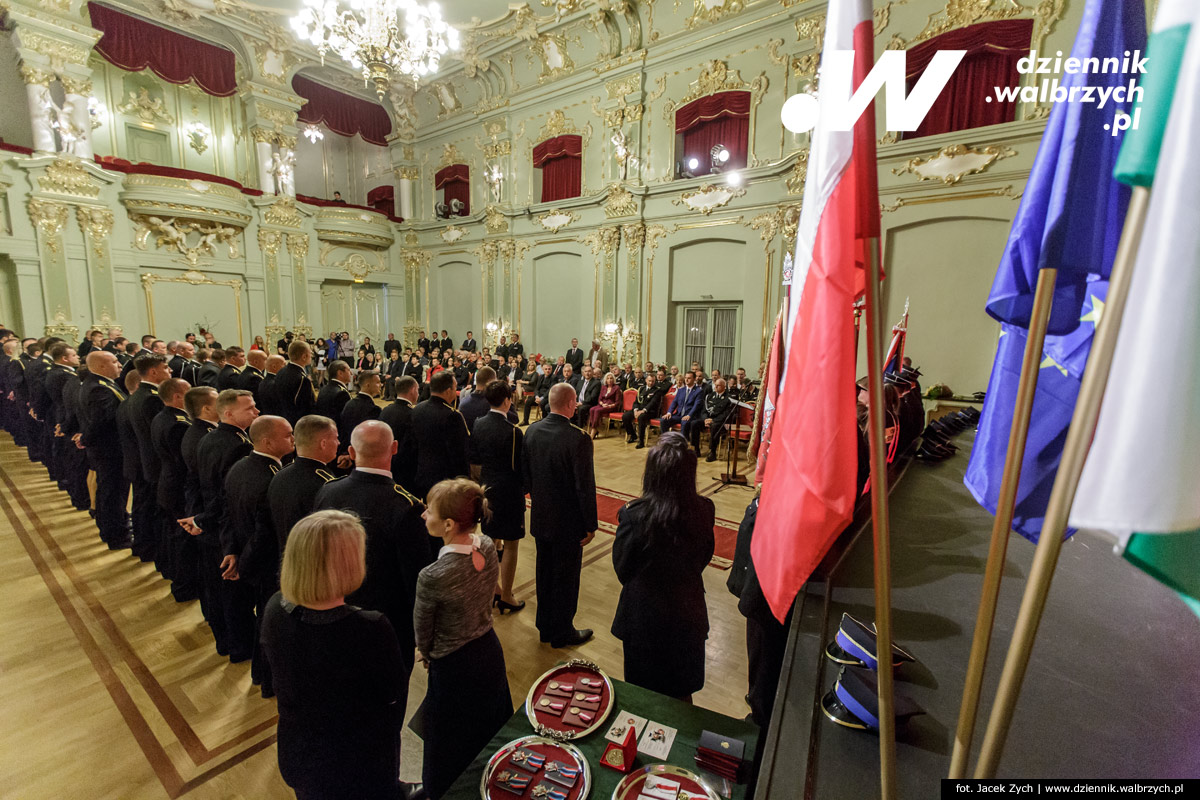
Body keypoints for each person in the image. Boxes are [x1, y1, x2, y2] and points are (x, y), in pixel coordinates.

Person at [260, 510, 406, 800]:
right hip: (358, 762)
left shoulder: (275, 608)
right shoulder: (369, 626)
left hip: (299, 753)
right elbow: (392, 694)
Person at [415, 478, 513, 798]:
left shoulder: (432, 577)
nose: (423, 515)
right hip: (487, 650)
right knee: (489, 729)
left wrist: (427, 654)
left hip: (453, 665)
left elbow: (423, 632)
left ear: (447, 524)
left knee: (447, 744)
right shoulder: (485, 545)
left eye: (428, 510)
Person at [314, 421, 431, 675]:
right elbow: (418, 580)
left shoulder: (327, 491)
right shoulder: (407, 506)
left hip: (333, 611)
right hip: (388, 623)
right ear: (395, 448)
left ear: (352, 453)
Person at [612, 432, 715, 701]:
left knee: (642, 696)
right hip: (687, 614)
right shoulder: (705, 509)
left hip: (644, 619)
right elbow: (705, 556)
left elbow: (623, 570)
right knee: (682, 697)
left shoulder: (634, 515)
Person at [224, 415, 294, 697]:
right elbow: (263, 533)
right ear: (268, 441)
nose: (293, 439)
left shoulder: (239, 467)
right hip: (264, 564)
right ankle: (268, 680)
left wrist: (231, 551)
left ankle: (259, 672)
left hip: (245, 555)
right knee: (269, 624)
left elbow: (227, 516)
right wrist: (244, 562)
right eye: (288, 435)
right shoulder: (272, 479)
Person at [523, 383, 598, 647]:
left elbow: (527, 477)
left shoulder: (531, 431)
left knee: (544, 573)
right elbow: (585, 487)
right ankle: (563, 632)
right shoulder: (578, 438)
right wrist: (590, 524)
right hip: (568, 522)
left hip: (541, 516)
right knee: (565, 578)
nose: (577, 405)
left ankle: (545, 627)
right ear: (569, 404)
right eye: (575, 401)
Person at [188, 389, 259, 661]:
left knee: (219, 590)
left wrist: (198, 517)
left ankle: (226, 641)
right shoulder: (238, 445)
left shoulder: (210, 437)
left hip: (211, 523)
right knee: (234, 595)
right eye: (249, 408)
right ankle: (239, 646)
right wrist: (202, 519)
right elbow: (227, 494)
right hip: (226, 528)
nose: (256, 411)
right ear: (228, 413)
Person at [470, 381, 525, 612]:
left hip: (487, 489)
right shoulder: (513, 432)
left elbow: (474, 462)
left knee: (489, 541)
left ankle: (492, 589)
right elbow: (518, 467)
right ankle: (507, 595)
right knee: (511, 544)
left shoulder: (478, 423)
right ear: (506, 401)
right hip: (509, 492)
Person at [79, 350, 132, 549]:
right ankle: (116, 534)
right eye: (114, 361)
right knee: (112, 493)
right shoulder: (98, 388)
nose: (119, 365)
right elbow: (102, 421)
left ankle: (115, 526)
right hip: (110, 451)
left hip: (108, 449)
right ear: (101, 366)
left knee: (111, 491)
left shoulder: (101, 384)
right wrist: (85, 438)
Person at [151, 377, 198, 602]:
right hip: (177, 486)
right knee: (183, 538)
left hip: (167, 482)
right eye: (188, 391)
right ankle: (184, 586)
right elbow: (184, 461)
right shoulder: (179, 423)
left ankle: (174, 574)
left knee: (173, 534)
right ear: (178, 396)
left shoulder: (162, 417)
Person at [269, 415, 339, 554]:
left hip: (286, 560)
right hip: (312, 563)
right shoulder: (324, 483)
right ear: (323, 444)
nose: (338, 442)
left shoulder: (279, 475)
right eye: (336, 438)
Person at [411, 371, 470, 500]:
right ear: (448, 391)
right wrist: (464, 482)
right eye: (455, 388)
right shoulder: (452, 416)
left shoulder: (417, 409)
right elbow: (459, 453)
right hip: (444, 481)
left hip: (421, 474)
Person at [380, 375, 419, 491]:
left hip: (386, 463)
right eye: (417, 390)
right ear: (413, 390)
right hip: (406, 468)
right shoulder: (412, 414)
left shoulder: (386, 411)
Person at [276, 340, 316, 425]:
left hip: (284, 419)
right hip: (298, 423)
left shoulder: (281, 371)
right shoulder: (302, 379)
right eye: (310, 352)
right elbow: (306, 408)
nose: (312, 354)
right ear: (304, 357)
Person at [623, 372, 666, 449]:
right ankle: (633, 435)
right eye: (649, 381)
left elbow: (652, 403)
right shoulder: (641, 389)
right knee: (625, 416)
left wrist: (643, 410)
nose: (651, 383)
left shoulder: (657, 390)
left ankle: (641, 441)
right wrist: (635, 410)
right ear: (646, 380)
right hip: (639, 410)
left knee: (641, 417)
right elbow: (636, 402)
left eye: (653, 381)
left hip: (650, 412)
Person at [340, 369, 382, 446]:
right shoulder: (373, 409)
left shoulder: (350, 403)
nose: (381, 385)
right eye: (378, 382)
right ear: (368, 385)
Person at [587, 372, 621, 439]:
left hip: (611, 406)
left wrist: (609, 406)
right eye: (608, 378)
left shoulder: (616, 388)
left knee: (597, 410)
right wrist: (602, 404)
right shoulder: (603, 387)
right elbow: (599, 399)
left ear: (613, 379)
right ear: (605, 380)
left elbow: (617, 402)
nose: (609, 380)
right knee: (592, 409)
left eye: (611, 378)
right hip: (602, 404)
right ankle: (594, 428)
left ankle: (594, 430)